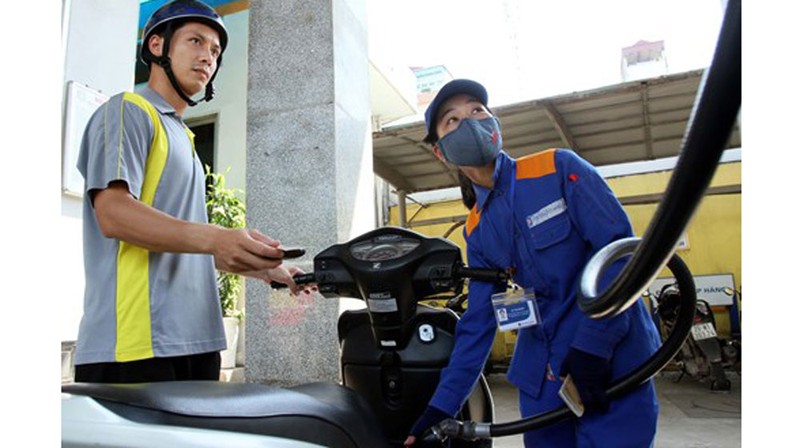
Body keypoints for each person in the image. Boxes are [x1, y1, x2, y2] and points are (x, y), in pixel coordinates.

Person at [404, 79, 661, 447]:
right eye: (453, 120)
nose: (470, 121)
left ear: (495, 123)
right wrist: (442, 407)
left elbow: (620, 256)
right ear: (441, 153)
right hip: (541, 378)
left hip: (609, 363)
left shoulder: (557, 169)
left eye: (477, 110)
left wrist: (594, 344)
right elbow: (478, 322)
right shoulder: (476, 229)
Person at [73, 0, 305, 384]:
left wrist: (268, 270)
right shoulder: (128, 111)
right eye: (195, 41)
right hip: (137, 344)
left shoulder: (183, 137)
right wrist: (217, 237)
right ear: (157, 46)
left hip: (198, 341)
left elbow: (190, 247)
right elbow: (113, 214)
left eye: (215, 50)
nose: (207, 57)